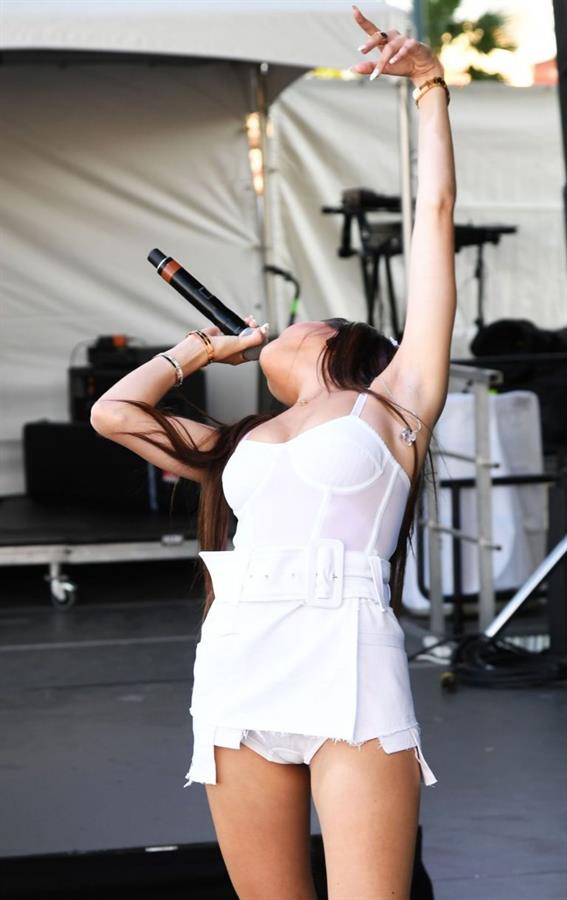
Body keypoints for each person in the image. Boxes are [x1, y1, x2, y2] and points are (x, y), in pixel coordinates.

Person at [91, 6, 456, 898]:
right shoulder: (241, 442)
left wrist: (429, 87)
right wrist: (193, 352)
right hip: (239, 659)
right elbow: (114, 413)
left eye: (303, 321)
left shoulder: (394, 404)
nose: (280, 331)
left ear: (343, 344)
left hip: (347, 655)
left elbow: (435, 218)